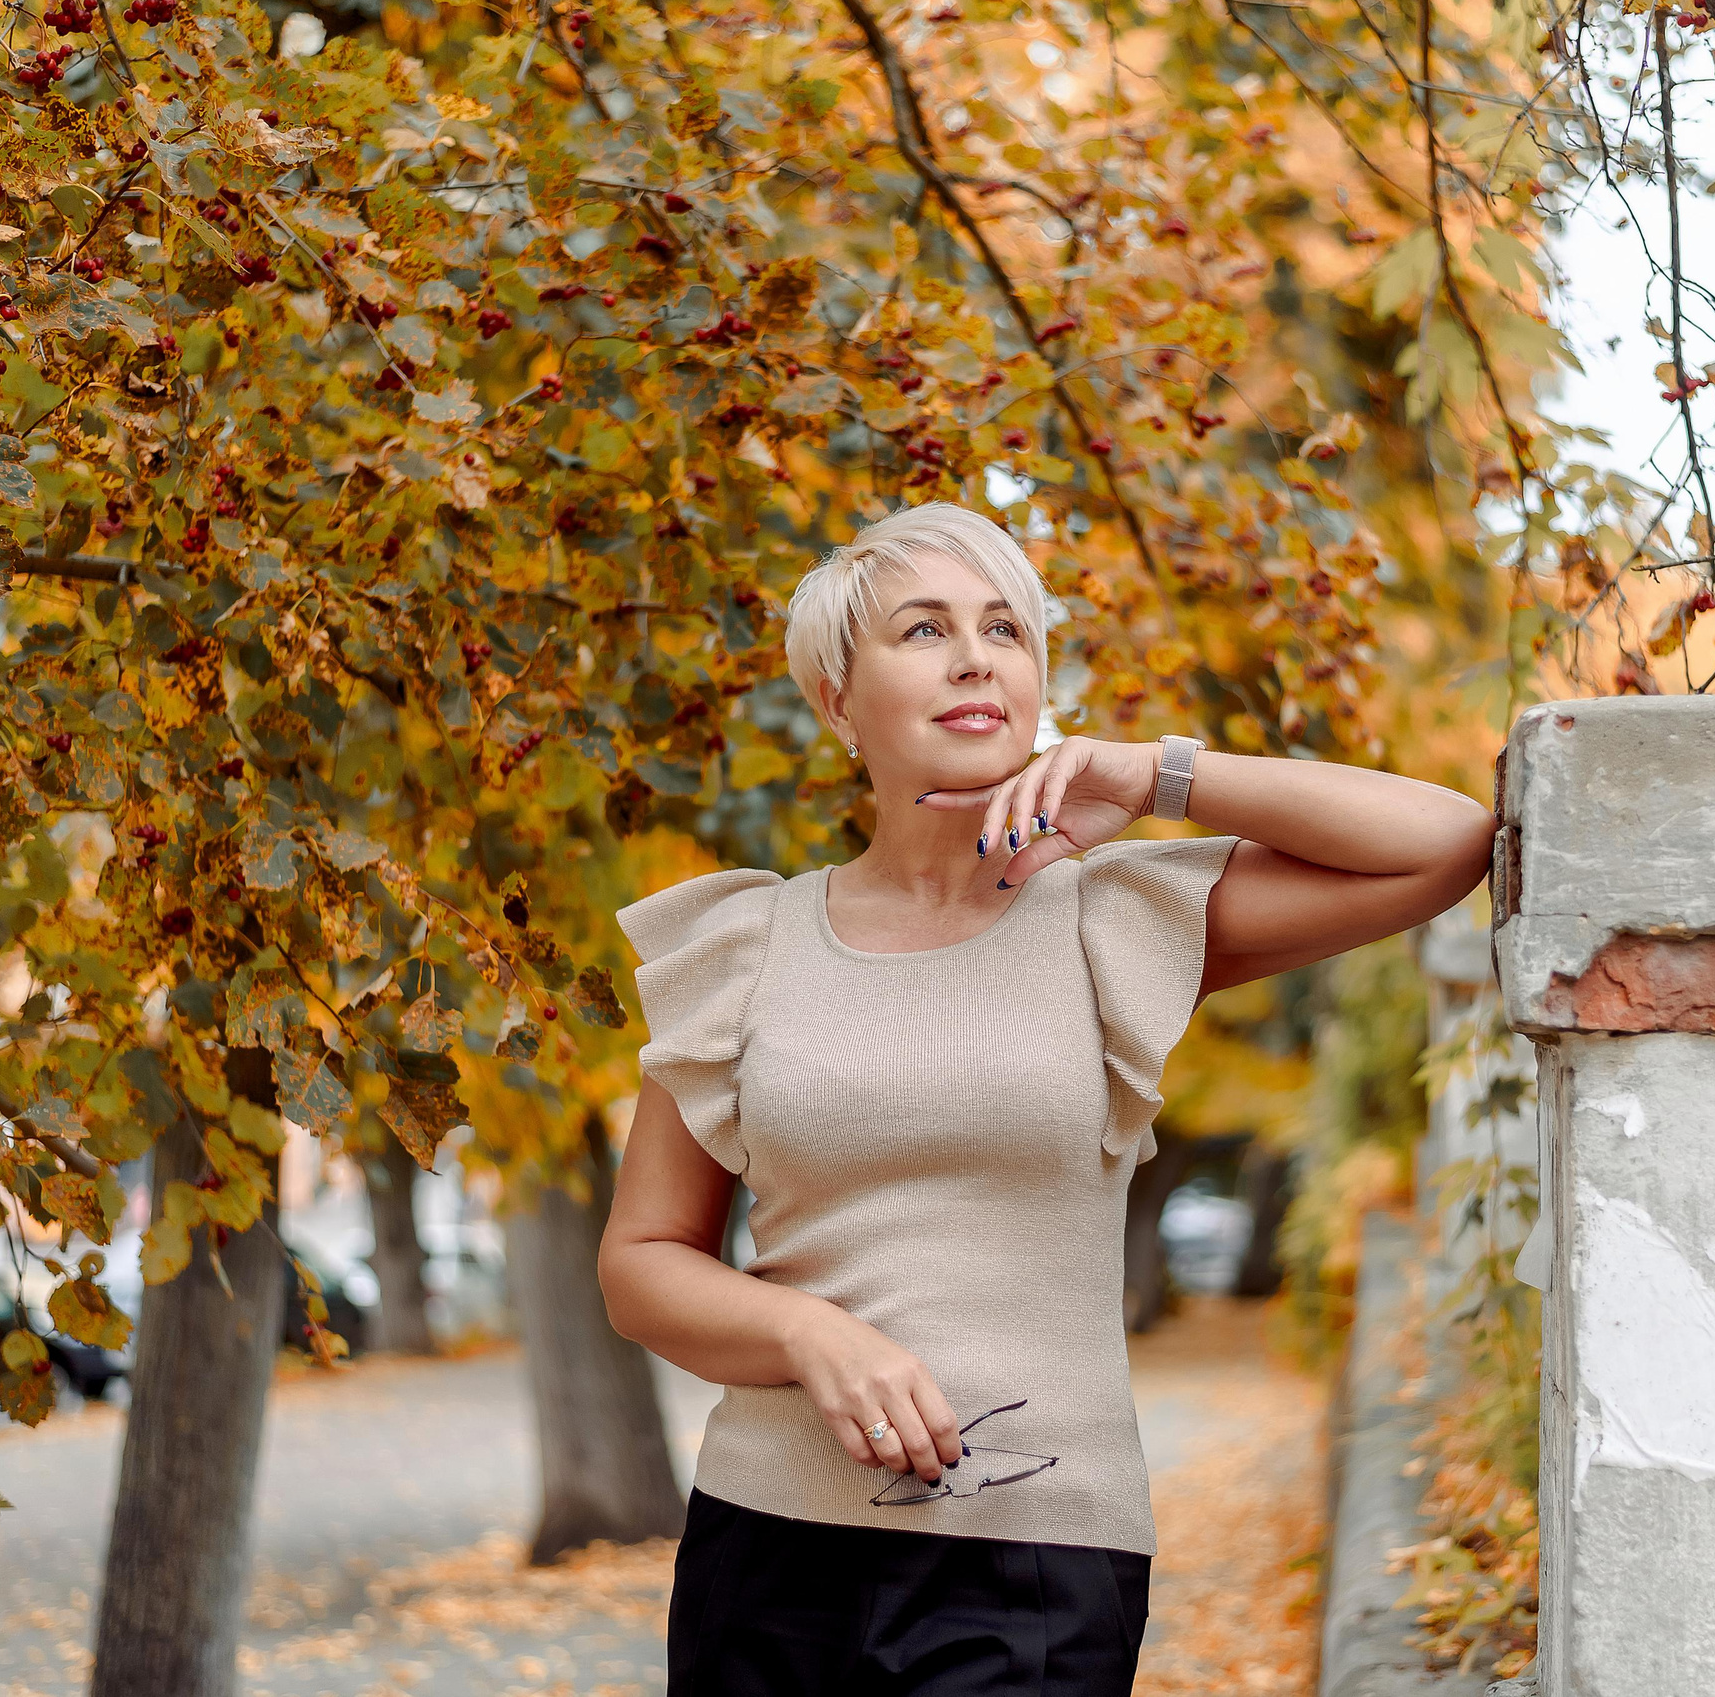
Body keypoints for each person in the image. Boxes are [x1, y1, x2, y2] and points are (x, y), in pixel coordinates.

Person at [597, 502, 1495, 1695]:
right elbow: (643, 1259)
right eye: (924, 629)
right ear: (835, 701)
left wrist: (1154, 771)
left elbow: (1443, 842)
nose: (976, 656)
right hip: (768, 1542)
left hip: (1038, 1552)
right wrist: (810, 1333)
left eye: (1005, 629)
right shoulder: (744, 946)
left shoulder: (1112, 919)